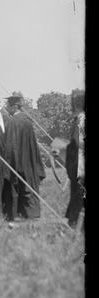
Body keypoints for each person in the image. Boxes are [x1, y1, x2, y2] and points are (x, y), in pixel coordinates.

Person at [3, 93, 45, 221]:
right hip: (29, 161)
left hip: (18, 162)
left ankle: (18, 214)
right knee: (29, 186)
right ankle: (33, 213)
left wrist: (8, 164)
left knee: (17, 187)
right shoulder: (27, 121)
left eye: (8, 106)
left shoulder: (13, 123)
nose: (7, 108)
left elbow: (11, 147)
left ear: (15, 106)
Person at [64, 89, 85, 229]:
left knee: (78, 194)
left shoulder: (81, 120)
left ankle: (74, 223)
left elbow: (77, 142)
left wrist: (63, 145)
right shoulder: (77, 120)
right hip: (76, 165)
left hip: (80, 165)